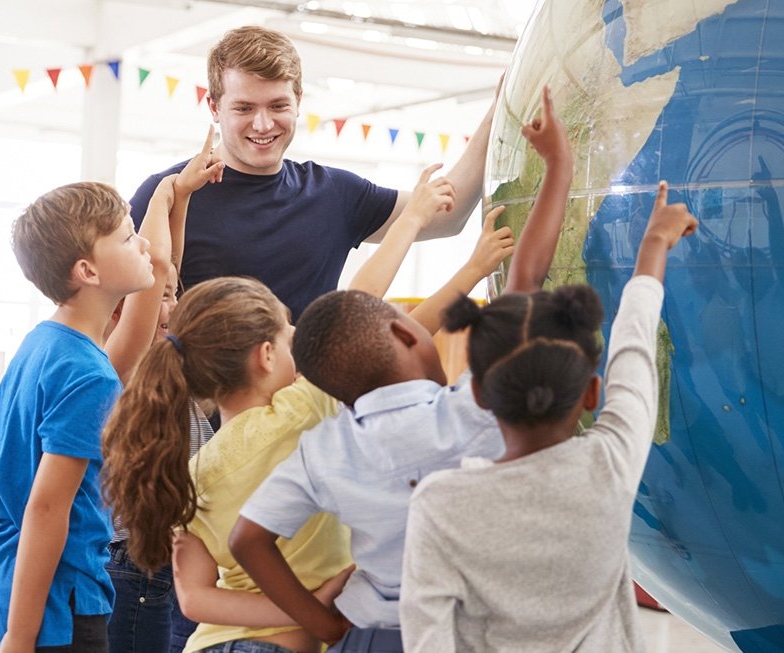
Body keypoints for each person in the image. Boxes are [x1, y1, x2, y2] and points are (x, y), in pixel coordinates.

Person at [102, 162, 505, 653]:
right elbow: (363, 313)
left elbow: (196, 599)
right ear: (266, 356)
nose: (301, 341)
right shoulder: (299, 414)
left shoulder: (192, 471)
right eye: (289, 333)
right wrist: (419, 224)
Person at [227, 86, 571, 652]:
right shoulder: (474, 407)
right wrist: (559, 164)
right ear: (408, 330)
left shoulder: (323, 448)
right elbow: (527, 282)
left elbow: (248, 540)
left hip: (369, 636)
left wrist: (324, 626)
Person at [398, 182, 697, 652]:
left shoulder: (440, 504)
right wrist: (654, 243)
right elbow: (635, 348)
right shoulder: (609, 465)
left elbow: (427, 640)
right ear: (592, 393)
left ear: (478, 393)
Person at [128, 24, 498, 321]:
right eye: (244, 108)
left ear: (299, 101)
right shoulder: (168, 195)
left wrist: (501, 105)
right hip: (193, 413)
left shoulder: (334, 193)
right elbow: (119, 317)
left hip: (309, 409)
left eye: (278, 105)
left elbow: (450, 215)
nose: (262, 123)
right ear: (214, 107)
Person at [0, 180, 158, 653]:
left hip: (0, 583)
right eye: (128, 237)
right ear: (88, 270)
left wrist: (176, 197)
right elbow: (47, 508)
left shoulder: (44, 343)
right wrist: (22, 635)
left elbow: (137, 327)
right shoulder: (89, 376)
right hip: (54, 609)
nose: (144, 245)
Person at [102, 129, 226, 653]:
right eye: (157, 301)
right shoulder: (123, 367)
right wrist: (163, 193)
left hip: (171, 556)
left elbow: (166, 268)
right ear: (121, 312)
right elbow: (155, 272)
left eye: (172, 298)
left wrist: (184, 200)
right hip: (139, 566)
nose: (167, 307)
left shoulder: (169, 363)